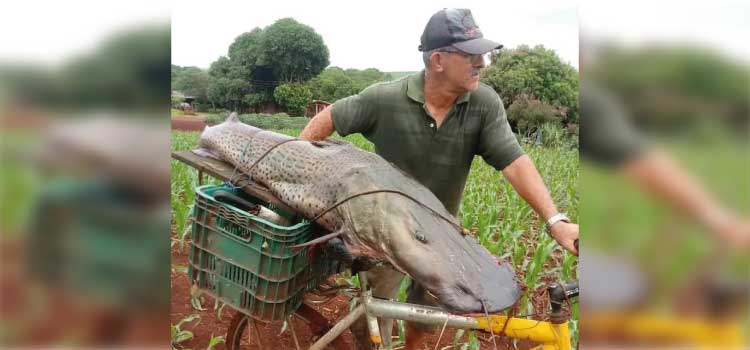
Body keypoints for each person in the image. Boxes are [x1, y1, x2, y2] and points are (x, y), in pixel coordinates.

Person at [299, 8, 579, 350]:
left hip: (441, 237)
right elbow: (329, 117)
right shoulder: (385, 98)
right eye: (471, 55)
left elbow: (514, 161)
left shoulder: (483, 104)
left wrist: (555, 221)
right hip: (384, 234)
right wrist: (300, 162)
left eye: (483, 54)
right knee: (372, 318)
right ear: (438, 60)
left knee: (426, 315)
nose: (482, 63)